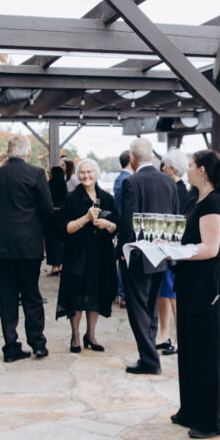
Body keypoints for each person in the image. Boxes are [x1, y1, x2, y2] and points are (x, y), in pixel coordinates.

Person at [172, 149, 220, 439]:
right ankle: (191, 410)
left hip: (207, 282)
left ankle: (212, 420)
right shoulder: (197, 200)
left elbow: (210, 248)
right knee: (190, 345)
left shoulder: (215, 202)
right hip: (190, 279)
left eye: (191, 165)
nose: (187, 169)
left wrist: (175, 252)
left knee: (208, 349)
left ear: (203, 170)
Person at [0, 135, 53, 362]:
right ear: (28, 153)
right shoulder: (36, 174)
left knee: (6, 298)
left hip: (1, 245)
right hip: (29, 245)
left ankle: (11, 346)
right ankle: (38, 343)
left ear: (8, 153)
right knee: (31, 294)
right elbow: (47, 208)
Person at [117, 137, 181, 374]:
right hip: (162, 255)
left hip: (138, 256)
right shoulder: (169, 182)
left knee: (137, 309)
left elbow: (128, 222)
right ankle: (149, 356)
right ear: (152, 157)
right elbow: (175, 216)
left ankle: (150, 361)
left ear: (132, 158)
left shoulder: (132, 182)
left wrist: (122, 251)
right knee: (151, 306)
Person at [55, 159, 117, 353]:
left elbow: (117, 225)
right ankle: (75, 336)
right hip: (78, 255)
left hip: (101, 256)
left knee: (95, 295)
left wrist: (108, 225)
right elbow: (64, 229)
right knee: (76, 296)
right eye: (82, 172)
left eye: (89, 172)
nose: (86, 175)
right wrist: (86, 218)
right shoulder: (71, 199)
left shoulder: (107, 198)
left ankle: (91, 335)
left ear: (96, 174)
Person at [154, 149, 190, 356]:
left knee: (174, 296)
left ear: (171, 169)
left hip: (174, 250)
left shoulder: (181, 192)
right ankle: (164, 334)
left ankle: (179, 339)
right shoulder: (170, 188)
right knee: (163, 293)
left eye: (164, 166)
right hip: (164, 248)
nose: (162, 169)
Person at [47, 156, 73, 275]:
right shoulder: (64, 185)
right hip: (62, 215)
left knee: (52, 241)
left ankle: (54, 266)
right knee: (62, 241)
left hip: (51, 216)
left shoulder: (48, 185)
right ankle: (61, 264)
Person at [113, 149, 133, 306]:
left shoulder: (119, 179)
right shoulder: (127, 179)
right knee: (124, 257)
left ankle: (122, 294)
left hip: (119, 222)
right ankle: (124, 294)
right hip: (124, 223)